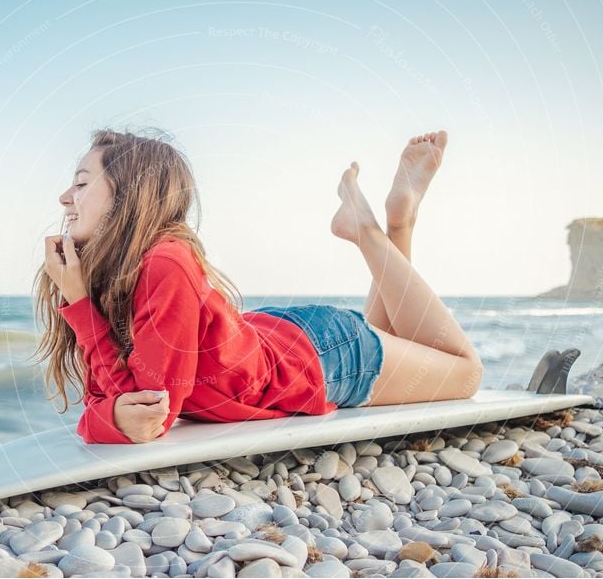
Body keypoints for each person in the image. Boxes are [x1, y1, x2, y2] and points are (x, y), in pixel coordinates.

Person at [33, 127, 482, 444]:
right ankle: (398, 222)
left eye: (81, 183)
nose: (64, 197)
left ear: (128, 192)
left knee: (465, 373)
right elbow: (116, 400)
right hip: (292, 343)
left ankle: (372, 229)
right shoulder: (124, 270)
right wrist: (106, 413)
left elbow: (148, 415)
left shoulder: (164, 262)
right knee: (406, 344)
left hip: (319, 361)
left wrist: (100, 414)